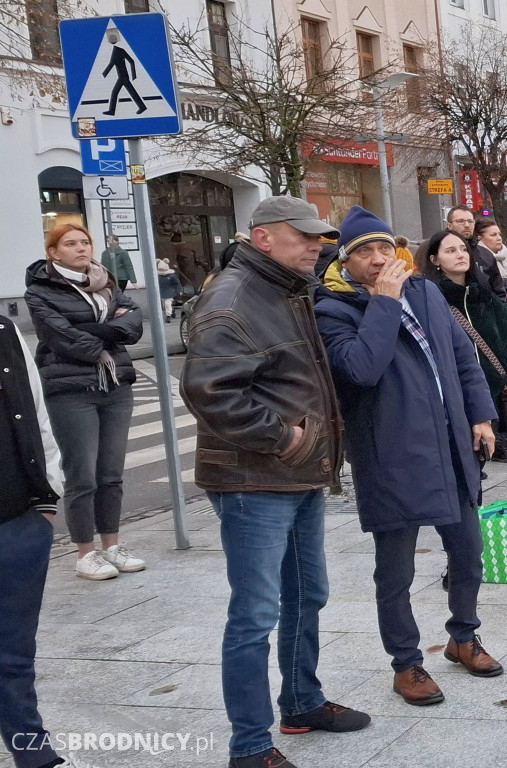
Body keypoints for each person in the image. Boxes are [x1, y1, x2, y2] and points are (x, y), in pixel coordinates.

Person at [180, 196, 370, 768]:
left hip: (295, 476)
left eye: (320, 238)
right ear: (264, 239)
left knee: (307, 595)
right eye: (304, 236)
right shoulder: (233, 297)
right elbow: (210, 392)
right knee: (255, 615)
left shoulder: (285, 289)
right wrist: (285, 438)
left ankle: (301, 701)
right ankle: (250, 745)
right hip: (253, 479)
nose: (318, 246)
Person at [315, 206, 502, 709]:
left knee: (468, 552)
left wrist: (480, 416)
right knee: (394, 572)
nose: (378, 260)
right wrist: (384, 302)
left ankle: (464, 636)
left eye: (384, 248)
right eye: (363, 252)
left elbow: (463, 356)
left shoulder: (424, 292)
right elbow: (362, 370)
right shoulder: (333, 307)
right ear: (346, 259)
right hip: (392, 454)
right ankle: (406, 663)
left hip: (449, 447)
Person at [0, 318, 98, 768]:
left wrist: (46, 493)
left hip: (16, 520)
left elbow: (35, 411)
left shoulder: (3, 330)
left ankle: (34, 755)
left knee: (14, 653)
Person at [25, 224, 144, 581]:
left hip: (116, 385)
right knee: (82, 476)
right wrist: (109, 330)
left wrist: (99, 331)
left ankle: (112, 546)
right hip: (71, 391)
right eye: (71, 243)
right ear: (54, 252)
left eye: (85, 242)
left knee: (111, 474)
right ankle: (85, 552)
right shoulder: (39, 291)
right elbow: (60, 338)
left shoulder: (106, 282)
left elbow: (135, 326)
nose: (81, 248)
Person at [419, 230, 507, 463]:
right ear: (434, 260)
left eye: (464, 249)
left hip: (491, 393)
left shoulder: (486, 298)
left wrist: (503, 369)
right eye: (450, 250)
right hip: (450, 399)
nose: (460, 255)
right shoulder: (429, 301)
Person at [447, 205, 505, 299]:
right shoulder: (438, 251)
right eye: (460, 221)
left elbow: (499, 292)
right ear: (449, 225)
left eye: (470, 221)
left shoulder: (486, 255)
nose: (466, 225)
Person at [156, 258, 183, 323]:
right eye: (160, 270)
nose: (162, 271)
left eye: (163, 270)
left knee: (167, 303)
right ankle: (171, 311)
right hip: (162, 291)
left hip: (170, 291)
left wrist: (180, 290)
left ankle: (168, 316)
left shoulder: (171, 275)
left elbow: (177, 282)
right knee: (164, 305)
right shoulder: (158, 276)